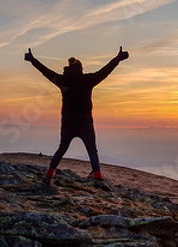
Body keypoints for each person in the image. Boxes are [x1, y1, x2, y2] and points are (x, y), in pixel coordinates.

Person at [24, 46, 129, 185]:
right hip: (85, 122)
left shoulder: (62, 81)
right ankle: (97, 177)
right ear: (80, 69)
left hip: (68, 123)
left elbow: (46, 72)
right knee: (92, 150)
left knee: (62, 149)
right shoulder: (87, 80)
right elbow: (105, 71)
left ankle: (49, 175)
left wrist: (32, 60)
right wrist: (118, 59)